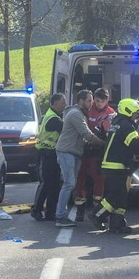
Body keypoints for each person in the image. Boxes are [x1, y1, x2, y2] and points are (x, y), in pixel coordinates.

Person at [88, 98, 139, 233]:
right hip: (116, 166)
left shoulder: (116, 123)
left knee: (122, 196)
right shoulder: (126, 126)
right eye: (136, 114)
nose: (137, 117)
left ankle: (117, 223)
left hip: (113, 165)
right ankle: (96, 214)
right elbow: (137, 145)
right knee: (116, 196)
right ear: (128, 112)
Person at [55, 90, 105, 227]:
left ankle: (61, 215)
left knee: (70, 183)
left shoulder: (80, 113)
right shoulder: (76, 114)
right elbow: (86, 134)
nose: (92, 103)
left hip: (73, 152)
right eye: (89, 100)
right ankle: (60, 217)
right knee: (69, 183)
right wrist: (104, 143)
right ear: (81, 101)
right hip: (67, 151)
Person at [73, 88, 115, 222]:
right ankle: (80, 210)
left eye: (102, 101)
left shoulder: (111, 113)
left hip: (99, 151)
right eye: (97, 101)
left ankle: (98, 210)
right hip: (84, 150)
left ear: (107, 100)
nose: (99, 103)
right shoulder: (87, 110)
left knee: (99, 180)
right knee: (80, 179)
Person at [31, 93, 66, 221]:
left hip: (52, 153)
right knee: (46, 183)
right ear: (55, 103)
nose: (65, 105)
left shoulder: (52, 115)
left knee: (55, 184)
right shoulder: (54, 119)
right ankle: (36, 210)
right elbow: (66, 130)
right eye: (63, 103)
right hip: (46, 154)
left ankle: (50, 213)